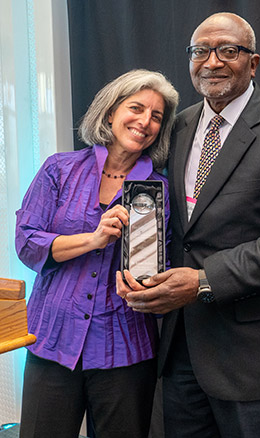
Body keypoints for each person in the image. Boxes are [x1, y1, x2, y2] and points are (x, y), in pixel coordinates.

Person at [117, 13, 260, 438]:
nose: (211, 61)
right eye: (200, 51)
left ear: (252, 63)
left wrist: (202, 280)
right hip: (181, 354)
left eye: (227, 50)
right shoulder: (175, 128)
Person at [15, 69, 178, 438]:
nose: (145, 122)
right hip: (51, 342)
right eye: (136, 108)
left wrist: (148, 288)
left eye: (156, 116)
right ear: (110, 113)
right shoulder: (60, 169)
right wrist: (93, 238)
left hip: (125, 348)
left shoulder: (160, 190)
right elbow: (26, 243)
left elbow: (163, 263)